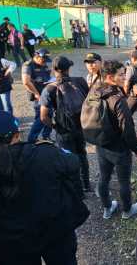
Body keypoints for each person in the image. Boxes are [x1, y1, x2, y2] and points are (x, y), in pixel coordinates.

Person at [0, 110, 89, 265]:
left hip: (9, 245)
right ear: (16, 135)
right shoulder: (47, 154)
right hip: (55, 233)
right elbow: (73, 163)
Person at [92, 60, 137, 219]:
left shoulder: (95, 90)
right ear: (110, 76)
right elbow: (128, 130)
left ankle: (107, 208)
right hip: (118, 149)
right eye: (121, 75)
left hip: (101, 144)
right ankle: (127, 210)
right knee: (124, 181)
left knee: (104, 176)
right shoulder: (117, 99)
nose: (124, 77)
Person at [39, 56, 92, 192]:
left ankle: (76, 189)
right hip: (81, 127)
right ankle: (86, 184)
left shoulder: (49, 89)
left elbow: (43, 117)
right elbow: (89, 103)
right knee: (82, 155)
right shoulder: (80, 82)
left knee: (68, 159)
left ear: (53, 69)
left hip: (63, 130)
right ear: (69, 68)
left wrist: (55, 126)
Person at [22, 48, 53, 143]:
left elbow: (47, 75)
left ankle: (46, 136)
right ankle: (32, 139)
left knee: (49, 115)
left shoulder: (43, 64)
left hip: (46, 93)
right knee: (41, 117)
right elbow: (26, 82)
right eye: (43, 60)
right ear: (37, 57)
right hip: (38, 95)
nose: (45, 63)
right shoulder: (28, 65)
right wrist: (36, 94)